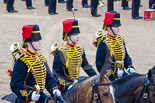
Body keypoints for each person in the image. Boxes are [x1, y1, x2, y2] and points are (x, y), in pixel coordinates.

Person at [10, 25, 61, 103]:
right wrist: (30, 95)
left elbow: (48, 79)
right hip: (26, 99)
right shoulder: (21, 61)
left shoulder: (41, 58)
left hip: (41, 96)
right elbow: (15, 85)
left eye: (40, 39)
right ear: (28, 43)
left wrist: (54, 89)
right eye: (36, 40)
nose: (40, 42)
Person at [53, 19, 97, 94]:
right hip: (65, 87)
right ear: (68, 37)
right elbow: (56, 74)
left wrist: (96, 77)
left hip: (77, 84)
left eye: (78, 34)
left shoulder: (80, 49)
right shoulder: (60, 52)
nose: (78, 36)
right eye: (75, 34)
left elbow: (86, 66)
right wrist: (68, 85)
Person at [96, 11, 136, 81]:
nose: (118, 28)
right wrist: (114, 71)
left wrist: (130, 67)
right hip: (109, 77)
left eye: (118, 26)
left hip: (122, 73)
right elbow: (100, 65)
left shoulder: (120, 39)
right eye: (116, 26)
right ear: (109, 28)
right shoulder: (103, 42)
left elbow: (126, 56)